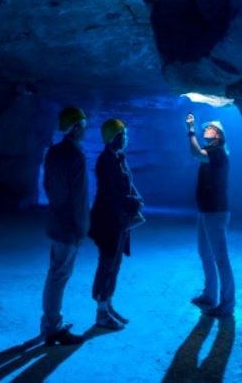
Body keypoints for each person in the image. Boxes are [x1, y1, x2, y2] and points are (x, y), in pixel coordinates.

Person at [40, 106, 90, 346]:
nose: (85, 129)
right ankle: (53, 327)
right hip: (69, 224)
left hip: (56, 219)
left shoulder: (53, 152)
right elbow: (79, 197)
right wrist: (82, 228)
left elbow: (48, 186)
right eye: (83, 124)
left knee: (55, 273)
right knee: (60, 275)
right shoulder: (75, 155)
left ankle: (49, 324)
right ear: (76, 127)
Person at [89, 118, 143, 330]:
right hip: (108, 221)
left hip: (119, 220)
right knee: (107, 264)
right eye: (123, 135)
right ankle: (101, 313)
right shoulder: (107, 161)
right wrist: (134, 202)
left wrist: (135, 197)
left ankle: (108, 304)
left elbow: (126, 185)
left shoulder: (118, 157)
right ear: (114, 138)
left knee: (114, 264)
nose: (126, 138)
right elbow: (112, 195)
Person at [185, 114, 235, 317]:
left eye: (210, 128)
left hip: (215, 211)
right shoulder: (212, 151)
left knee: (220, 258)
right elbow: (198, 154)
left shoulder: (218, 152)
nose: (206, 129)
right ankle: (210, 295)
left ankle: (227, 304)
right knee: (205, 253)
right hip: (207, 210)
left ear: (218, 135)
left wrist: (190, 130)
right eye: (205, 128)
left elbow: (196, 153)